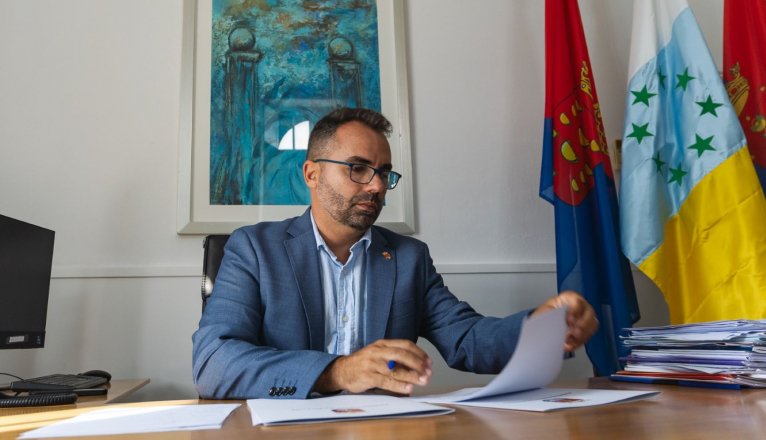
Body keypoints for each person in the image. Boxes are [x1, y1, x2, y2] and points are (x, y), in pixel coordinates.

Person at [192, 107, 598, 399]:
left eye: (384, 172)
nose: (376, 186)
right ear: (312, 174)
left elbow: (467, 339)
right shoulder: (254, 249)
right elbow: (214, 362)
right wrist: (339, 371)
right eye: (357, 168)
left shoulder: (408, 258)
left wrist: (543, 328)